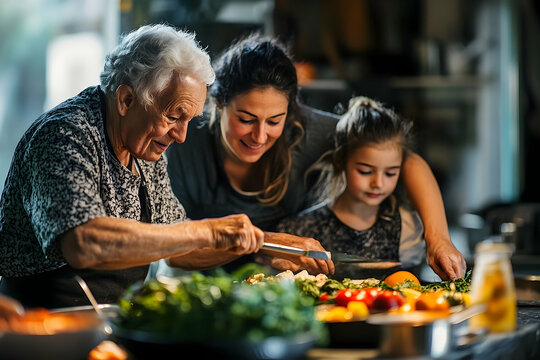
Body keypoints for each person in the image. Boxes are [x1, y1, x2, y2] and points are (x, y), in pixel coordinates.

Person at [0, 24, 270, 309]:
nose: (181, 135)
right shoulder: (64, 135)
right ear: (126, 100)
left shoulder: (144, 147)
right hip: (42, 323)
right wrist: (208, 231)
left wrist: (266, 243)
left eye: (187, 120)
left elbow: (178, 246)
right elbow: (82, 242)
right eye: (174, 116)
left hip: (114, 316)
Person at [165, 33, 465, 280]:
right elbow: (174, 252)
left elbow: (406, 159)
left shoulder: (308, 129)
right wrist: (263, 243)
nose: (259, 136)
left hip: (278, 288)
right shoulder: (182, 144)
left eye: (274, 121)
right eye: (246, 119)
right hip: (203, 287)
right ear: (218, 104)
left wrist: (437, 238)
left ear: (290, 113)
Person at [276, 96, 426, 270]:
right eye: (365, 171)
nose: (378, 183)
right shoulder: (299, 229)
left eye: (390, 173)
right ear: (340, 161)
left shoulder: (406, 227)